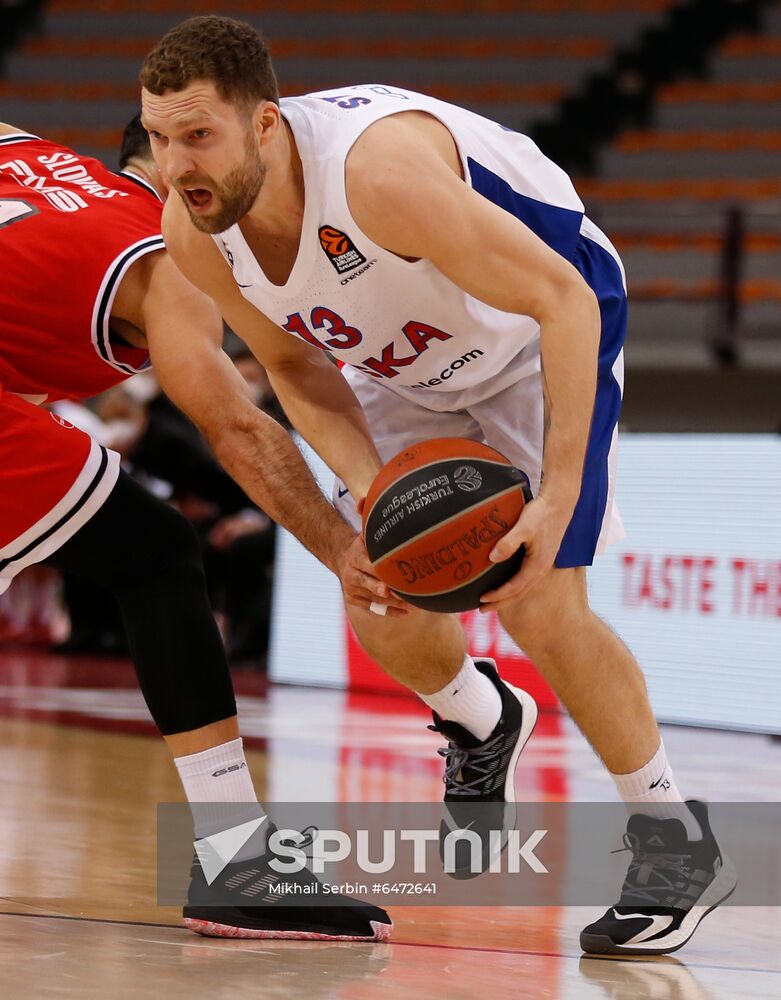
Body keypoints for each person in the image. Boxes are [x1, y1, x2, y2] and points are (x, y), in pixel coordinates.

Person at [140, 15, 737, 956]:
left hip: (535, 335)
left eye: (199, 135)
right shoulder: (193, 232)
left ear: (265, 124)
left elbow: (562, 300)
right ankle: (480, 715)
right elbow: (293, 368)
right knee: (378, 593)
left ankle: (675, 841)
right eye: (160, 138)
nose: (176, 165)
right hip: (401, 363)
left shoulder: (376, 175)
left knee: (540, 603)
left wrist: (558, 494)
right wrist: (371, 493)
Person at [0, 119, 393, 941]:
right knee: (155, 553)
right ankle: (237, 860)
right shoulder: (164, 257)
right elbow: (237, 428)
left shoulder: (26, 153)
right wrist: (338, 548)